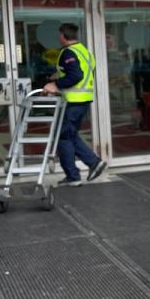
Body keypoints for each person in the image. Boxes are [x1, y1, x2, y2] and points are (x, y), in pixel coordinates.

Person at [44, 23, 106, 187]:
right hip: (82, 101)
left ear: (63, 35)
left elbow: (76, 75)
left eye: (59, 35)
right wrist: (57, 76)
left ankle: (86, 167)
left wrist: (56, 85)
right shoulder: (84, 51)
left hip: (73, 102)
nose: (59, 38)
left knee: (64, 136)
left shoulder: (68, 52)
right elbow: (82, 72)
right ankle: (79, 171)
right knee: (69, 135)